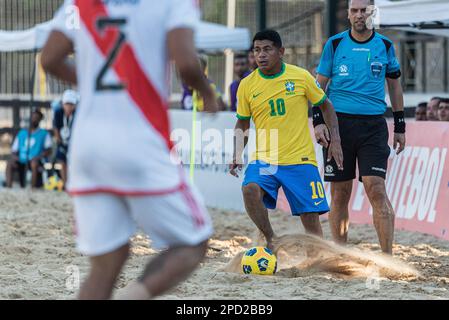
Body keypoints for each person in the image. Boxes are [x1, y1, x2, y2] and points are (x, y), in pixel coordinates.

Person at [41, 0, 218, 300]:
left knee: (107, 263)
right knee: (193, 243)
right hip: (141, 140)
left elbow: (49, 59)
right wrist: (208, 93)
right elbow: (188, 64)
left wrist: (91, 79)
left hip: (88, 148)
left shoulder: (81, 2)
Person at [229, 30, 343, 250]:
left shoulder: (300, 76)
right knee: (249, 189)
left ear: (280, 52)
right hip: (265, 159)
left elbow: (326, 105)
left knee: (311, 218)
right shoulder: (247, 85)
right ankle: (271, 239)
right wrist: (236, 152)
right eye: (257, 50)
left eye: (267, 49)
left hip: (300, 159)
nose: (260, 55)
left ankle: (317, 258)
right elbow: (242, 122)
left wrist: (335, 140)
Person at [315, 0, 406, 254]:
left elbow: (395, 86)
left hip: (374, 126)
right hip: (338, 127)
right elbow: (317, 86)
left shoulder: (385, 45)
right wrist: (318, 122)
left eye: (364, 10)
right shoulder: (334, 44)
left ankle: (387, 257)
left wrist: (400, 125)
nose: (358, 15)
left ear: (372, 12)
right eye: (354, 10)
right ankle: (340, 254)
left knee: (376, 187)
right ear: (348, 14)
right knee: (340, 193)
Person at [5, 109, 52, 189]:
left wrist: (39, 157)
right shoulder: (22, 133)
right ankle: (8, 187)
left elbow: (49, 150)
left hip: (36, 160)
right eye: (33, 117)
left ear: (40, 120)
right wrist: (15, 157)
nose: (34, 119)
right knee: (10, 163)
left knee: (34, 163)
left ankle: (32, 188)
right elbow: (14, 150)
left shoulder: (44, 134)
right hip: (21, 159)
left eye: (37, 118)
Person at [53, 89, 78, 185]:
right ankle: (65, 184)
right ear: (63, 104)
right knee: (61, 161)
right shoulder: (58, 112)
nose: (68, 107)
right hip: (62, 141)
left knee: (74, 163)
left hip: (74, 142)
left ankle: (74, 183)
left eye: (71, 104)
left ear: (75, 105)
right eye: (66, 104)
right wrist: (58, 140)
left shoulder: (77, 113)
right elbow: (56, 128)